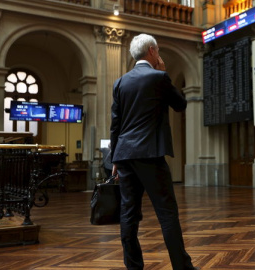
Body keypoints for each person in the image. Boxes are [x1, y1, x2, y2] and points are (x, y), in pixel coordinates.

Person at [110, 33, 197, 270]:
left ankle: (134, 267)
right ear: (151, 51)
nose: (158, 55)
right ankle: (182, 267)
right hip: (150, 154)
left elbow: (115, 124)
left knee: (128, 214)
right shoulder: (158, 77)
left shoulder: (119, 83)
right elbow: (180, 104)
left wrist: (114, 158)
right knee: (167, 213)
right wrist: (164, 71)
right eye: (157, 51)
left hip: (125, 155)